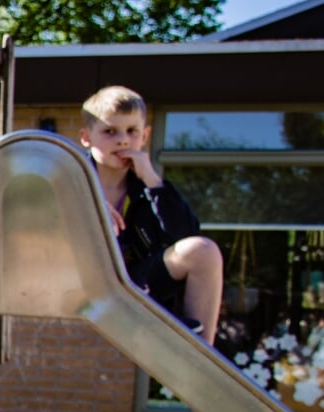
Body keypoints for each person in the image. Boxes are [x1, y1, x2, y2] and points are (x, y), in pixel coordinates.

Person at [79, 85, 223, 345]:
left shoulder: (147, 187)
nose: (122, 140)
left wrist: (153, 181)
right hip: (79, 284)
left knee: (204, 250)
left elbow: (184, 236)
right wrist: (89, 209)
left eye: (131, 132)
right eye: (110, 131)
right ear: (86, 137)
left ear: (145, 136)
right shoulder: (67, 177)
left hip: (134, 287)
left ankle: (201, 354)